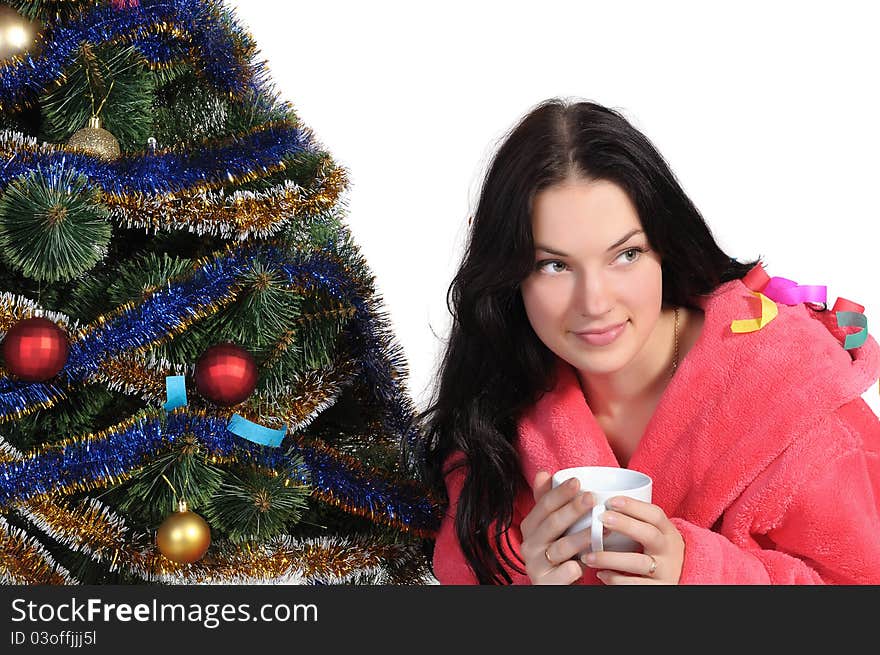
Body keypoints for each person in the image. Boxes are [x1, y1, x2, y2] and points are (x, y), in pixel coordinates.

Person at [416, 98, 880, 585]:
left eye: (626, 255)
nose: (594, 302)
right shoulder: (496, 416)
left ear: (664, 247)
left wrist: (701, 576)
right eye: (554, 265)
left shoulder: (788, 395)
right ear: (512, 279)